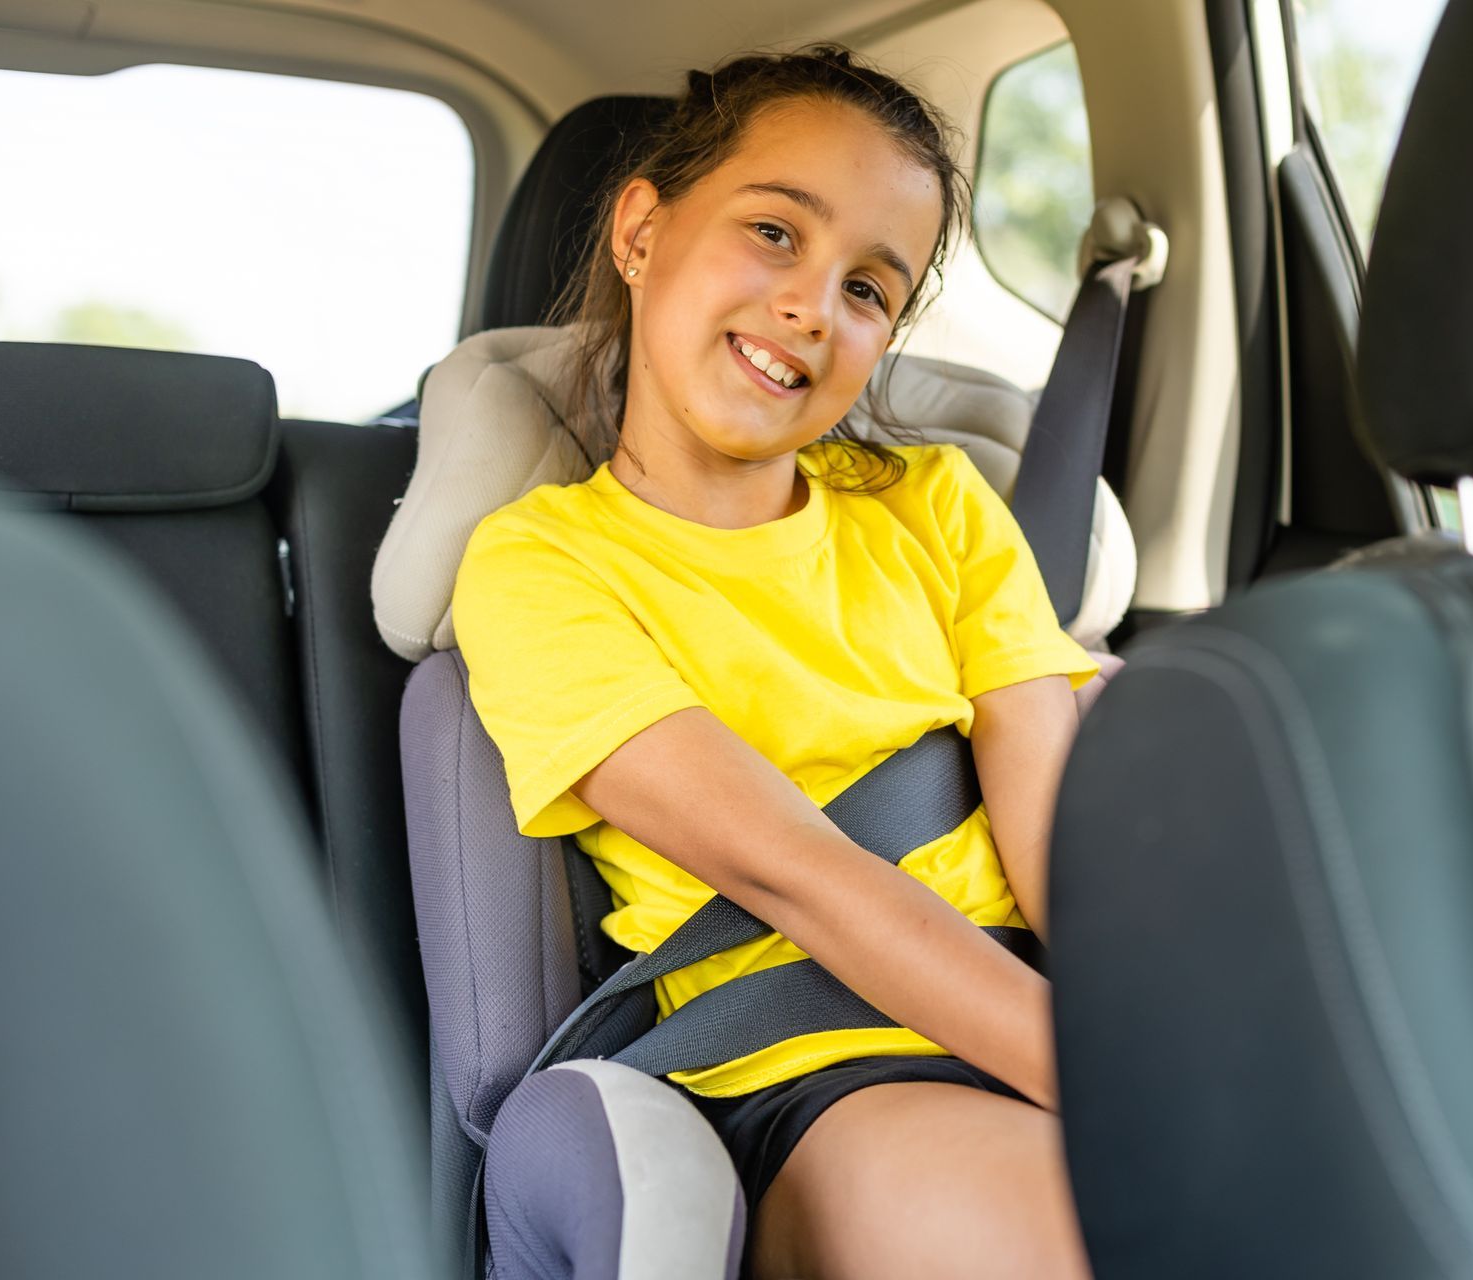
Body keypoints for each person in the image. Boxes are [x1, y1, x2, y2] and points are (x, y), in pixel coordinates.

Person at [453, 45, 1098, 1280]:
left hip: (1037, 1017)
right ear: (642, 229)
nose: (813, 305)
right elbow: (801, 875)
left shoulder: (941, 504)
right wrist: (1111, 1081)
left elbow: (1056, 834)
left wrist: (1169, 1032)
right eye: (773, 233)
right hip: (815, 1065)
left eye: (869, 289)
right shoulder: (540, 565)